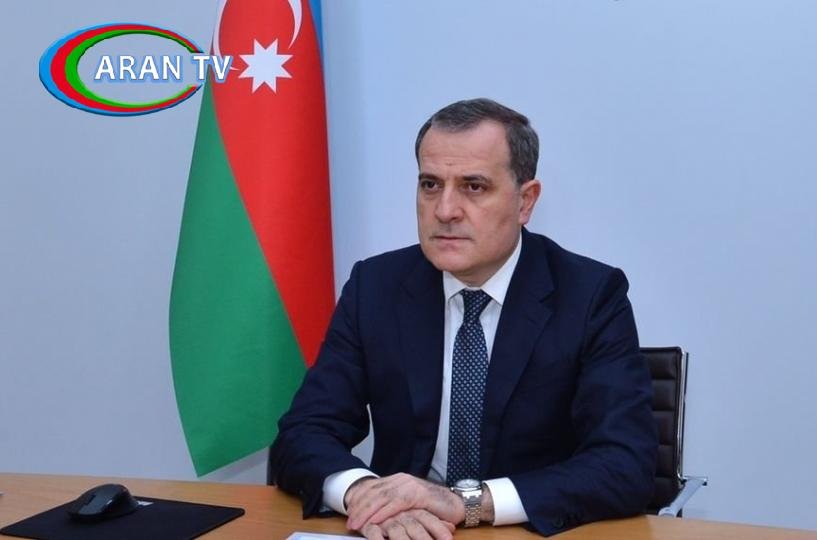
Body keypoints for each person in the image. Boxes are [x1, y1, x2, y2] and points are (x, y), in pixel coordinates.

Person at [269, 98, 658, 538]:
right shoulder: (375, 287)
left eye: (474, 186)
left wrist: (467, 503)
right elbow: (303, 432)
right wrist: (363, 493)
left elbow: (626, 463)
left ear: (525, 201)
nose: (445, 210)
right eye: (430, 185)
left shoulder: (590, 296)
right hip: (402, 531)